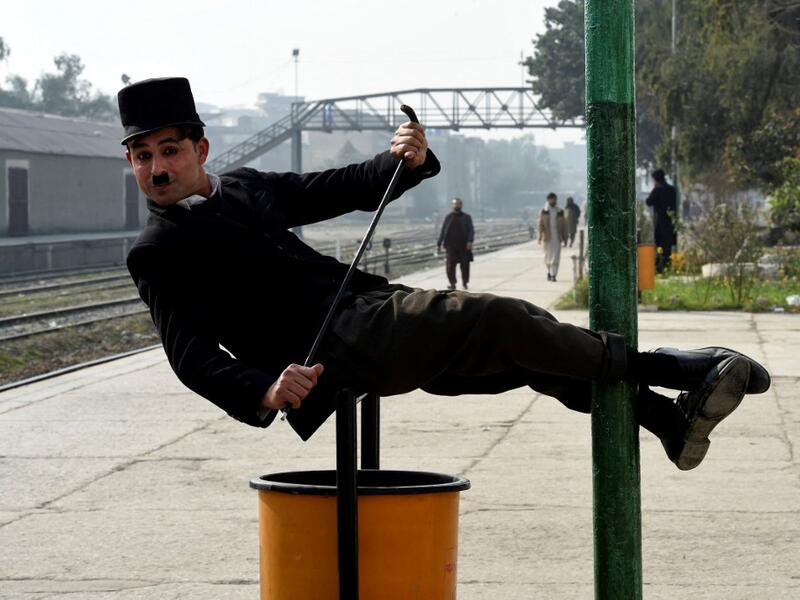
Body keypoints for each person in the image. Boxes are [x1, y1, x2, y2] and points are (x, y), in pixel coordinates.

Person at [120, 77, 770, 472]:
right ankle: (675, 370)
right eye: (142, 156)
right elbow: (192, 357)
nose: (156, 169)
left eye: (169, 151)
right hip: (332, 353)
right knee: (493, 317)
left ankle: (665, 421)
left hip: (368, 310)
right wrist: (265, 389)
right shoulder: (157, 252)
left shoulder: (244, 187)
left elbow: (338, 187)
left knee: (523, 354)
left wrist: (403, 158)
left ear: (200, 150)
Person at [437, 197, 474, 290]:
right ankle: (452, 283)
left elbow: (471, 230)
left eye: (458, 204)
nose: (457, 205)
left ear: (461, 205)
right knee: (450, 266)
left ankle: (465, 282)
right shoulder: (448, 217)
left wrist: (470, 241)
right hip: (451, 246)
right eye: (455, 204)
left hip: (463, 246)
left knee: (465, 266)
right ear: (452, 205)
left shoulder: (466, 217)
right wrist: (439, 242)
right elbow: (443, 231)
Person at [646, 169, 678, 273]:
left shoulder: (658, 190)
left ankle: (659, 268)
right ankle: (667, 266)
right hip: (671, 221)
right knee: (668, 246)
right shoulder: (672, 189)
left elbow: (648, 202)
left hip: (660, 222)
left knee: (659, 245)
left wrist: (654, 189)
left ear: (655, 179)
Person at [538, 193, 567, 282]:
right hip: (547, 237)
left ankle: (553, 274)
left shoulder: (560, 211)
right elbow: (540, 225)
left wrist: (565, 238)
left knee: (556, 257)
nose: (553, 201)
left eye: (554, 199)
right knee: (547, 257)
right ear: (548, 200)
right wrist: (539, 237)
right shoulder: (543, 211)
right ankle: (549, 272)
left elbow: (564, 226)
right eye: (551, 199)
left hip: (557, 237)